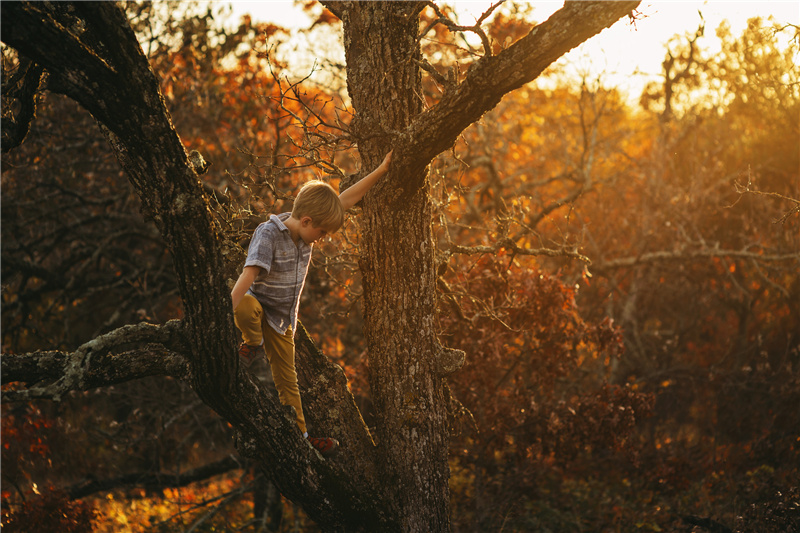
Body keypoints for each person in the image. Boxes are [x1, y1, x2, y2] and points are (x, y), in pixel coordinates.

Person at [230, 151, 392, 457]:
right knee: (246, 308)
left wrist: (382, 170)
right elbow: (249, 273)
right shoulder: (268, 233)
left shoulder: (306, 231)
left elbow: (345, 199)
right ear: (306, 220)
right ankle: (251, 342)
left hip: (281, 318)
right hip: (256, 304)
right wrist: (222, 315)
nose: (322, 238)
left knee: (287, 379)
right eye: (322, 232)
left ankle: (302, 436)